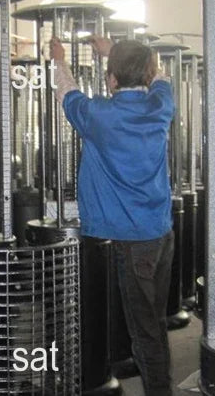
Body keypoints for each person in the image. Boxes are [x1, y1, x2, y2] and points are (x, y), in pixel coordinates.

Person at [50, 36, 175, 396]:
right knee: (155, 320)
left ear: (111, 80)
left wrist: (59, 59)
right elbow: (161, 77)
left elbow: (66, 92)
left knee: (144, 332)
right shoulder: (160, 105)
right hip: (160, 233)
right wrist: (117, 53)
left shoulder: (99, 116)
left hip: (132, 241)